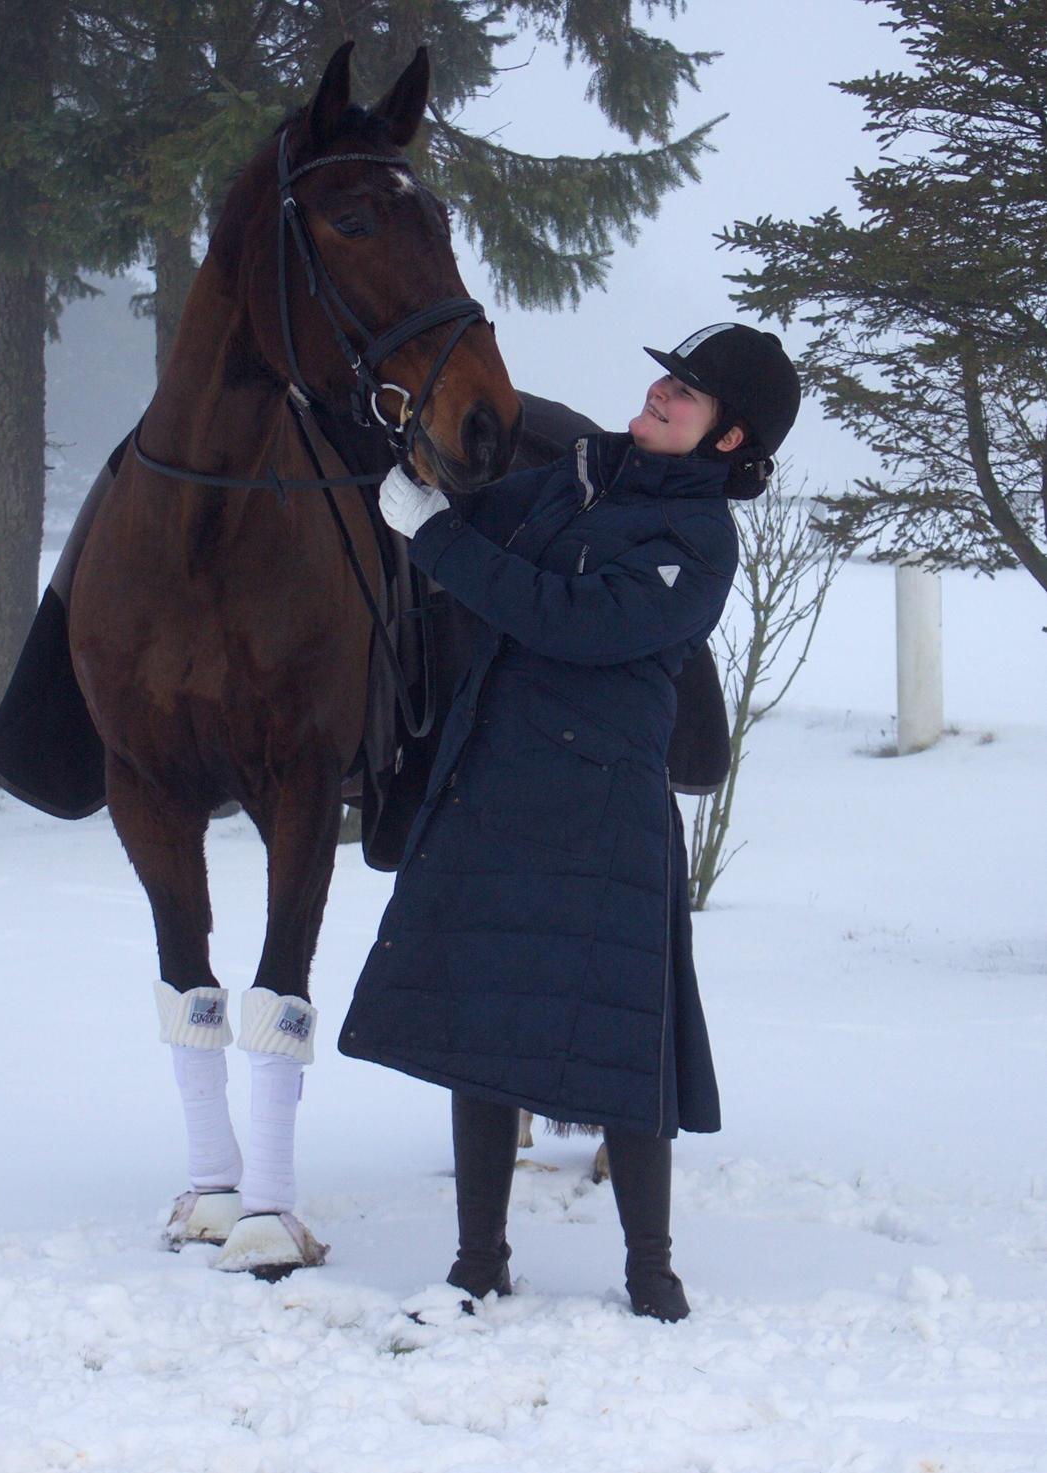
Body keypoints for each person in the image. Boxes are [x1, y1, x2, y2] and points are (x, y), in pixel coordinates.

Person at [338, 323, 801, 1320]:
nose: (664, 392)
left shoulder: (696, 544)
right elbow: (477, 516)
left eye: (691, 392)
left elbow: (569, 619)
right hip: (494, 790)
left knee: (621, 1043)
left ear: (730, 440)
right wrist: (386, 449)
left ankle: (650, 1268)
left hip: (599, 820)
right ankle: (477, 1259)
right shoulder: (586, 474)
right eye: (668, 376)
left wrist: (438, 535)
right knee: (482, 1030)